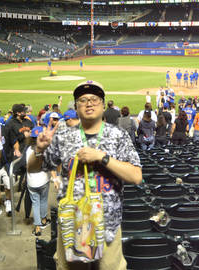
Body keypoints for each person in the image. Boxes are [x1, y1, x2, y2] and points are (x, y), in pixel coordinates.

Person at [27, 80, 142, 270]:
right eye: (82, 100)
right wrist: (38, 150)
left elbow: (136, 176)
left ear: (103, 105)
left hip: (108, 226)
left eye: (94, 99)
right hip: (71, 224)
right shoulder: (64, 137)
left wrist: (102, 157)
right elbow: (33, 168)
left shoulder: (118, 135)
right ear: (76, 106)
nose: (89, 103)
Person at [26, 126, 58, 236]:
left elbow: (28, 167)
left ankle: (38, 227)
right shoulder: (47, 149)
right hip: (43, 180)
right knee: (43, 200)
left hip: (32, 182)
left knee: (36, 203)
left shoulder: (28, 150)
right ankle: (44, 221)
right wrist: (55, 178)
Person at [0, 122, 11, 216]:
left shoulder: (5, 129)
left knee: (9, 185)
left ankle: (8, 201)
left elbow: (14, 142)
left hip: (5, 163)